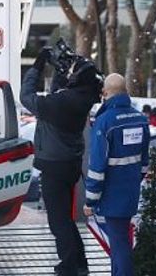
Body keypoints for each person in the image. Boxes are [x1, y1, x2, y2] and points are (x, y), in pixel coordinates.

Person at [21, 49, 103, 276]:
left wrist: (37, 67)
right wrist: (60, 74)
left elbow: (26, 97)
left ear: (77, 79)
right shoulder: (81, 97)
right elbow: (57, 95)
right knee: (65, 219)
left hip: (54, 166)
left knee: (58, 222)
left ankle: (68, 266)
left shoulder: (62, 102)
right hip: (68, 164)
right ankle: (79, 262)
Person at [83, 74, 149, 276]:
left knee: (120, 244)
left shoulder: (105, 123)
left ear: (106, 93)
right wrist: (130, 182)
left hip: (110, 196)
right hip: (129, 192)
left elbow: (97, 167)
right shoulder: (140, 119)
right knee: (120, 240)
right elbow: (144, 162)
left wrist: (90, 201)